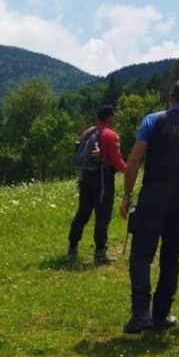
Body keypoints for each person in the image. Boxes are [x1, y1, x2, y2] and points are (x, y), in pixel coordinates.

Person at [118, 79, 179, 333]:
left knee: (141, 254)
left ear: (170, 97)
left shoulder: (152, 121)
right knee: (170, 257)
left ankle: (141, 313)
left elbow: (135, 159)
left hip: (153, 195)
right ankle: (161, 316)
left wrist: (127, 194)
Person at [66, 104, 127, 264]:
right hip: (102, 179)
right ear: (109, 117)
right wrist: (129, 171)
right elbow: (116, 160)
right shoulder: (111, 135)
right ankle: (100, 252)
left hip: (85, 178)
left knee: (82, 213)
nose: (114, 119)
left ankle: (72, 247)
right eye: (113, 116)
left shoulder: (87, 132)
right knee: (103, 215)